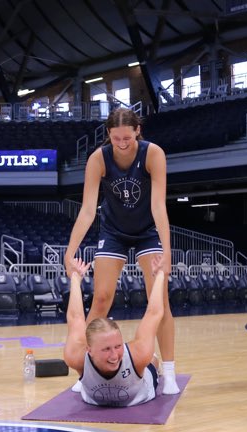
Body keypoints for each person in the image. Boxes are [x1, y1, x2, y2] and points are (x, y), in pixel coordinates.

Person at [63, 108, 179, 395]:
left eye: (127, 137)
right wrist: (70, 250)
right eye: (116, 138)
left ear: (137, 131)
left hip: (147, 232)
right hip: (113, 232)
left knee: (159, 301)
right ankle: (85, 370)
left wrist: (167, 250)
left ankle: (170, 371)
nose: (122, 143)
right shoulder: (98, 159)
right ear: (109, 136)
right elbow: (88, 210)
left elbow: (158, 206)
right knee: (101, 298)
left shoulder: (153, 154)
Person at [63, 257, 167, 407]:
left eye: (118, 346)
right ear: (89, 350)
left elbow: (154, 313)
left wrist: (159, 276)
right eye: (106, 349)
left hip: (140, 393)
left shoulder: (138, 355)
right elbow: (75, 318)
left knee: (151, 360)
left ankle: (155, 361)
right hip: (95, 395)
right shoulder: (75, 357)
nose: (114, 356)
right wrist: (75, 278)